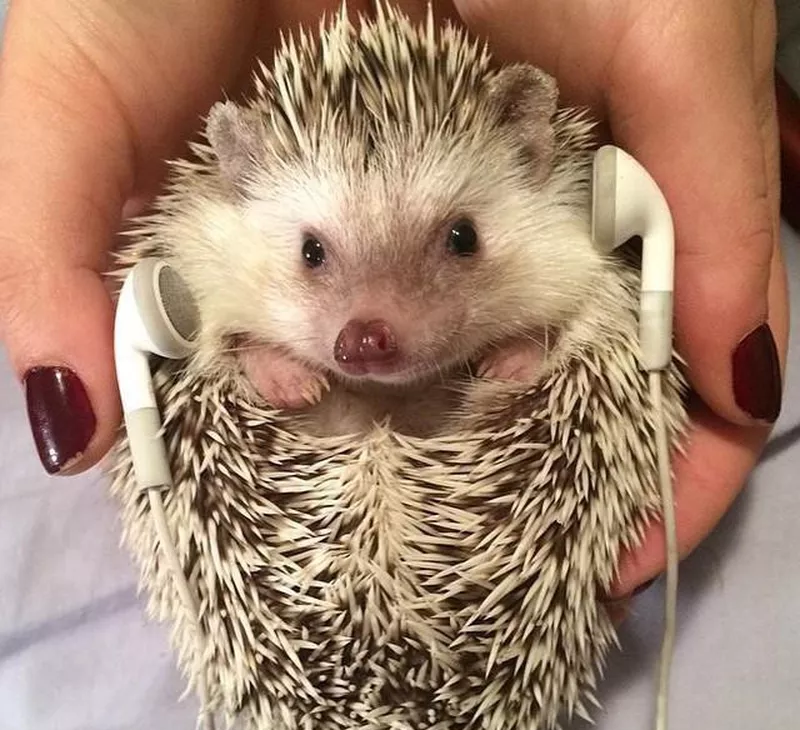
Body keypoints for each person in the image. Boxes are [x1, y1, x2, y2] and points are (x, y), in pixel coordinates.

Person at [0, 0, 788, 604]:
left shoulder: (569, 237)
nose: (369, 325)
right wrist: (247, 350)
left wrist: (545, 355)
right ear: (239, 181)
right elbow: (201, 314)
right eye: (315, 255)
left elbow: (587, 300)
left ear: (531, 155)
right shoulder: (214, 246)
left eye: (456, 242)